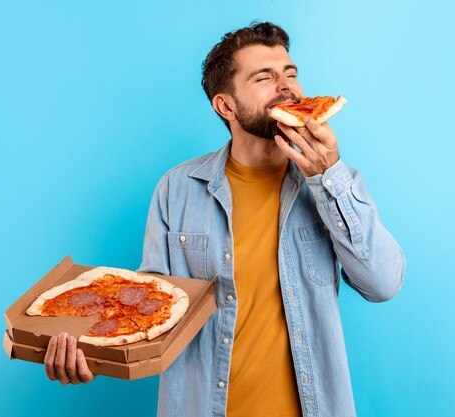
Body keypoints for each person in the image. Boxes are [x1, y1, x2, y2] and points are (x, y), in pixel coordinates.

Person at [44, 21, 405, 417]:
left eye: (291, 74)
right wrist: (90, 354)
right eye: (264, 78)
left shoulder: (337, 183)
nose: (286, 87)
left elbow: (383, 283)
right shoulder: (177, 188)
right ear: (226, 106)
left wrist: (327, 175)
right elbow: (148, 310)